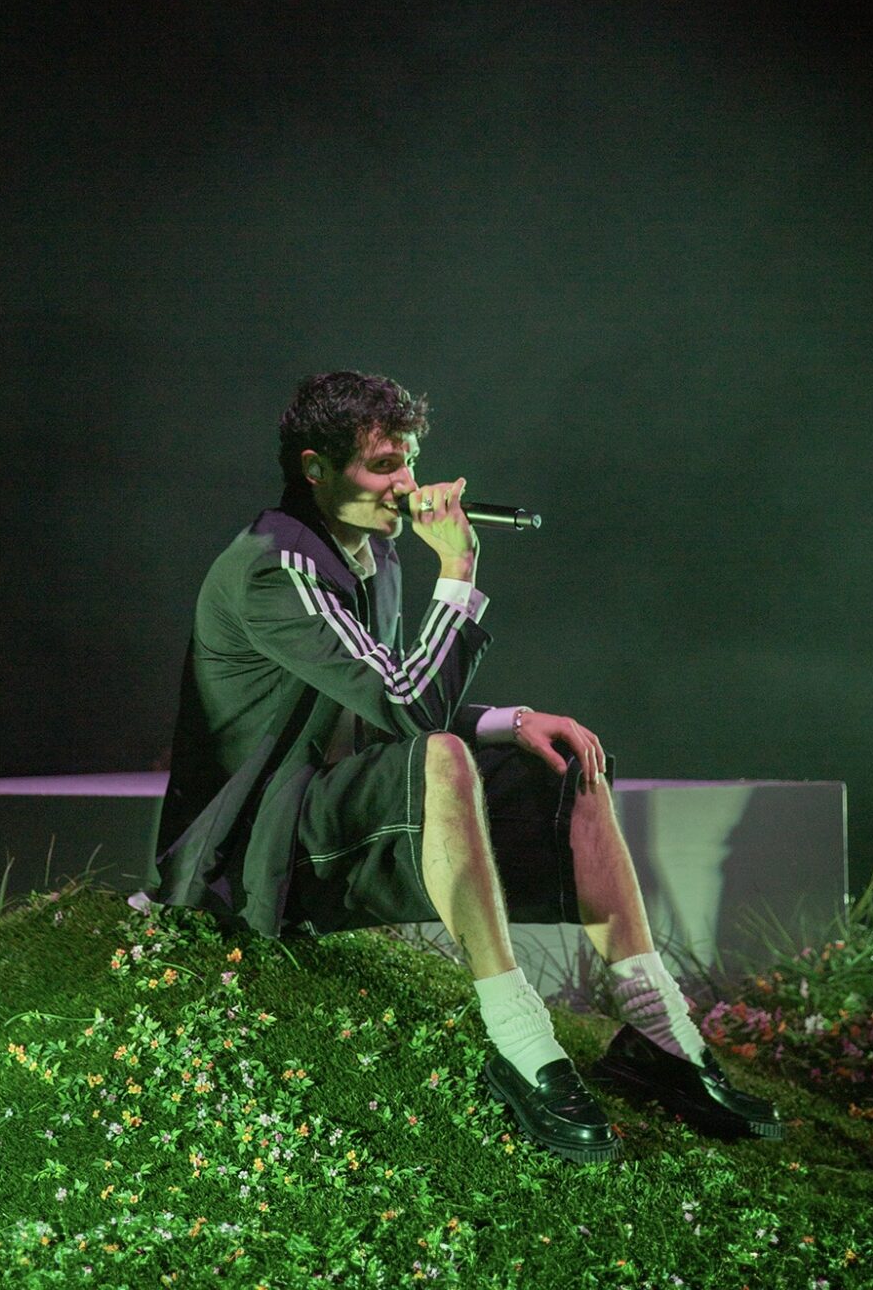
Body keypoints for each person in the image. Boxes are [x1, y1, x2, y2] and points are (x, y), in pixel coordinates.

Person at [149, 370, 781, 1164]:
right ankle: (521, 1040)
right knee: (440, 753)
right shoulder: (276, 567)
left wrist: (510, 721)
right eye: (382, 465)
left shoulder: (371, 557)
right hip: (250, 856)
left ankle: (659, 1036)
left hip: (324, 809)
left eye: (409, 462)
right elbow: (407, 712)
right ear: (315, 469)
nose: (405, 484)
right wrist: (458, 573)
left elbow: (380, 696)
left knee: (562, 764)